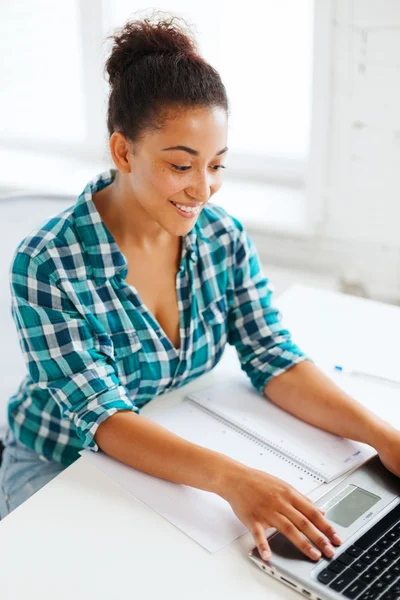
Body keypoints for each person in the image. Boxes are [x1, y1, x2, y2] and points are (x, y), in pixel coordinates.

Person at [1, 12, 399, 564]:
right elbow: (105, 418)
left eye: (216, 165)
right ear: (122, 152)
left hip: (169, 452)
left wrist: (386, 438)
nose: (203, 189)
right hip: (59, 463)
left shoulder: (221, 237)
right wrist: (233, 479)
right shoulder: (48, 263)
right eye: (181, 165)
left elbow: (272, 355)